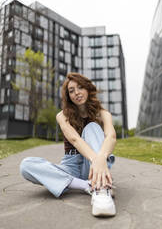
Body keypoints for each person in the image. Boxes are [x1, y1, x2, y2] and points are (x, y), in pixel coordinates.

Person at [20, 72, 116, 217]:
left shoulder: (103, 113)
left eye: (80, 87)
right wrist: (97, 160)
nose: (77, 93)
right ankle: (88, 185)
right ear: (68, 96)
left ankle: (101, 190)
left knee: (91, 127)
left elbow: (111, 137)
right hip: (70, 166)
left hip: (92, 163)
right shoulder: (62, 115)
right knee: (26, 165)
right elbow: (75, 139)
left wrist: (100, 158)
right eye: (71, 91)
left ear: (88, 89)